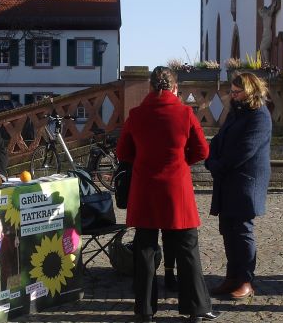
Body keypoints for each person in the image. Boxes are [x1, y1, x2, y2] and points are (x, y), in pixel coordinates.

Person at [116, 66, 219, 323]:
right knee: (187, 249)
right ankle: (196, 308)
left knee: (145, 249)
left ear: (150, 88)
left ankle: (144, 311)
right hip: (176, 188)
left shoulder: (136, 114)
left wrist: (143, 160)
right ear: (175, 89)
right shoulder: (185, 113)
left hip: (145, 189)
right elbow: (202, 151)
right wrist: (181, 161)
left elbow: (123, 153)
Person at [205, 72, 272, 300]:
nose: (233, 96)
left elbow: (246, 149)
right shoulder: (236, 112)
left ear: (250, 91)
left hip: (245, 181)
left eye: (237, 92)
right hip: (228, 179)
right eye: (232, 92)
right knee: (228, 230)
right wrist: (211, 159)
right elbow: (218, 140)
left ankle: (245, 280)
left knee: (242, 231)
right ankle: (232, 276)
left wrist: (219, 165)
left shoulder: (259, 115)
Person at [0, 216, 19, 290]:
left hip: (6, 277)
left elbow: (13, 259)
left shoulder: (7, 240)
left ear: (2, 227)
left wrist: (16, 247)